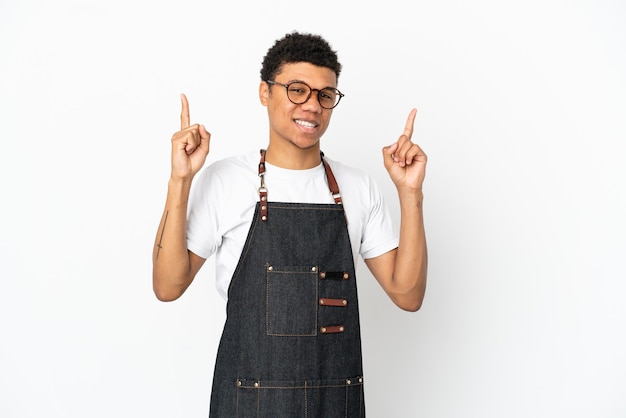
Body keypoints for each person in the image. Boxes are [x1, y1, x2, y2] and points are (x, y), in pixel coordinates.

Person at [152, 31, 427, 417]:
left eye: (325, 95)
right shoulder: (225, 180)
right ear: (265, 93)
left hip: (335, 403)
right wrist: (180, 180)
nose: (312, 106)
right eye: (297, 90)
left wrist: (410, 194)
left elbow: (408, 295)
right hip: (249, 403)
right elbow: (167, 286)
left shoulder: (357, 187)